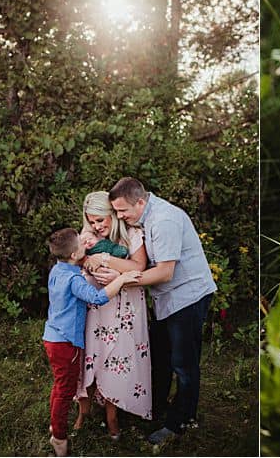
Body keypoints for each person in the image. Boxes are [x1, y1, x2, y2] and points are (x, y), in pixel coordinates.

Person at [106, 177, 217, 447]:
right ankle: (155, 409)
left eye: (123, 211)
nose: (120, 216)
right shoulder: (144, 218)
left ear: (141, 202)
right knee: (160, 358)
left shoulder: (164, 220)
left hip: (188, 297)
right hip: (168, 299)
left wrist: (122, 280)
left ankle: (179, 422)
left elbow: (165, 272)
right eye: (117, 211)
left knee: (184, 364)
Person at [43, 226, 139, 458]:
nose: (86, 245)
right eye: (81, 245)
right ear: (75, 255)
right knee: (65, 390)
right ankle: (59, 437)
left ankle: (55, 424)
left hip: (52, 337)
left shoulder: (57, 270)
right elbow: (96, 298)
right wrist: (123, 278)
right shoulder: (74, 279)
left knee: (59, 385)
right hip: (67, 343)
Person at [73, 191, 152, 439]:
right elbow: (76, 260)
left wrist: (109, 264)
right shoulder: (88, 236)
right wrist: (89, 261)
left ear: (112, 215)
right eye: (92, 221)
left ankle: (113, 414)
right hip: (94, 307)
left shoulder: (132, 234)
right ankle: (83, 409)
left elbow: (138, 267)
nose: (97, 226)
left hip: (124, 307)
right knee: (91, 356)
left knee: (116, 356)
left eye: (100, 220)